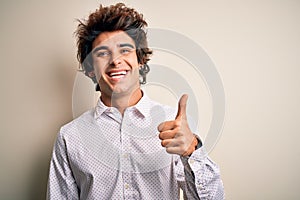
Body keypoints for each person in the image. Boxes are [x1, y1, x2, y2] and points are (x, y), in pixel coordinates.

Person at [47, 3, 224, 199]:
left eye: (124, 50)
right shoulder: (69, 137)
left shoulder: (174, 126)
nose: (115, 61)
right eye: (103, 53)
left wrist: (191, 150)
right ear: (90, 69)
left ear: (140, 60)